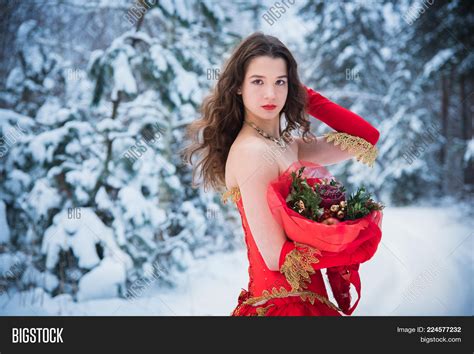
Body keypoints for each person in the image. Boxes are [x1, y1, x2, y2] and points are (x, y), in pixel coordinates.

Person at [183, 32, 381, 316]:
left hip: (307, 301)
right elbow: (276, 256)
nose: (270, 94)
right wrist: (344, 243)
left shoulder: (286, 146)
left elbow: (365, 137)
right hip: (283, 307)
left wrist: (304, 95)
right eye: (258, 81)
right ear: (238, 86)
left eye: (280, 82)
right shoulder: (252, 152)